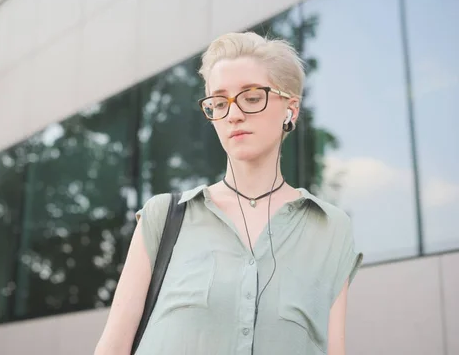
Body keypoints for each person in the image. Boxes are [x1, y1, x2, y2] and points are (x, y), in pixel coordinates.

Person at [94, 32, 363, 355]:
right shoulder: (164, 217)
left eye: (251, 97)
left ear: (290, 109)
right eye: (220, 103)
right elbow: (112, 349)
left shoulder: (331, 227)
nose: (233, 114)